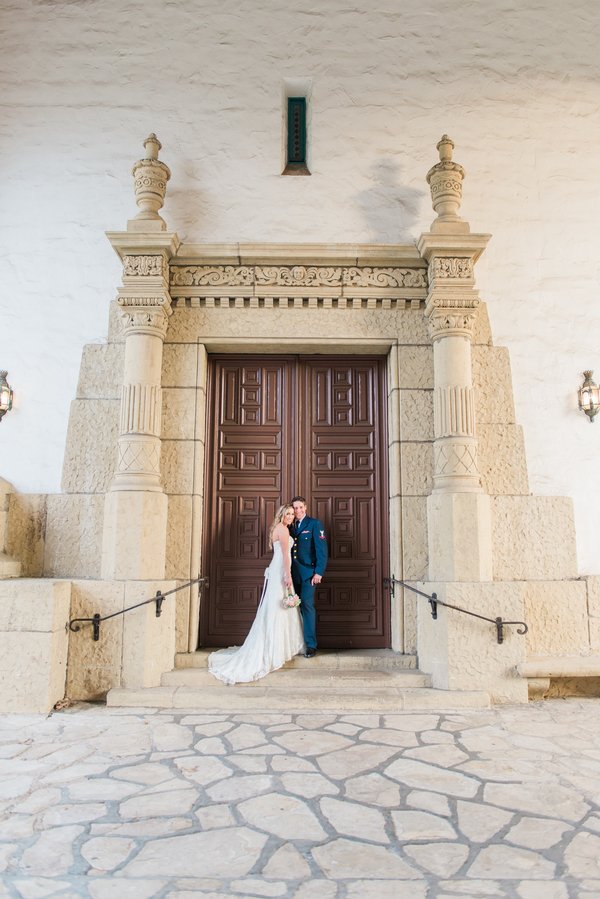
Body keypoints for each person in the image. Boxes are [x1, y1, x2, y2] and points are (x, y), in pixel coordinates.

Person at [208, 504, 305, 684]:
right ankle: (275, 650)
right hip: (282, 571)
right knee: (278, 607)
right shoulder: (283, 530)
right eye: (288, 513)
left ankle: (279, 646)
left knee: (276, 606)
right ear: (282, 515)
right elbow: (285, 555)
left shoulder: (279, 528)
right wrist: (288, 575)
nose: (291, 516)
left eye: (293, 514)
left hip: (278, 569)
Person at [290, 496, 328, 658]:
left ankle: (311, 645)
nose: (298, 511)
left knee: (307, 606)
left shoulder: (314, 524)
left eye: (300, 507)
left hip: (308, 575)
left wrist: (319, 572)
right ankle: (293, 643)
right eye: (295, 508)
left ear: (305, 507)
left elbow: (321, 550)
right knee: (290, 609)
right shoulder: (289, 525)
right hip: (291, 575)